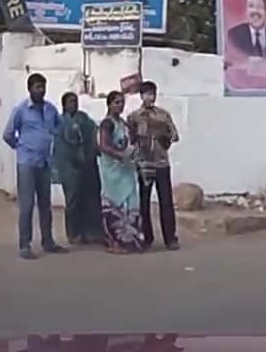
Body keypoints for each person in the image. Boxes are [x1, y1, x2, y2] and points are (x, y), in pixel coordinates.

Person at [2, 73, 68, 260]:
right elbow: (8, 134)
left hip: (45, 162)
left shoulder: (50, 109)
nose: (41, 90)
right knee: (27, 205)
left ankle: (48, 241)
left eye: (43, 87)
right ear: (29, 89)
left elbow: (59, 127)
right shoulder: (21, 110)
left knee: (45, 205)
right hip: (27, 163)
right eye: (37, 87)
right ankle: (25, 245)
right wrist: (21, 147)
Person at [127, 80, 181, 251]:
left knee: (166, 201)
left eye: (153, 94)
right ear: (141, 96)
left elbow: (175, 135)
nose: (150, 97)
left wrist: (166, 138)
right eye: (147, 94)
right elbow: (130, 139)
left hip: (161, 162)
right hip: (143, 164)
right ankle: (146, 237)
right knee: (144, 201)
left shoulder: (163, 115)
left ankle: (170, 238)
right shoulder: (134, 117)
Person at [98, 90, 145, 253]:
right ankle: (114, 241)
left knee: (131, 202)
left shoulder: (123, 124)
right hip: (112, 171)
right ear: (109, 104)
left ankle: (131, 239)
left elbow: (131, 141)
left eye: (122, 102)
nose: (120, 106)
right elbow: (103, 146)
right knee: (114, 205)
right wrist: (120, 156)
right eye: (116, 102)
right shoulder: (107, 123)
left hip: (126, 169)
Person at [53, 92, 103, 245]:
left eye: (75, 101)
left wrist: (93, 148)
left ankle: (90, 232)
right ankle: (73, 233)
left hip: (87, 163)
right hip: (70, 167)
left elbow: (95, 130)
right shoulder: (61, 122)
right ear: (64, 104)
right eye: (69, 102)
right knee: (73, 200)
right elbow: (60, 146)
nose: (73, 104)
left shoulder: (83, 118)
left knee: (90, 198)